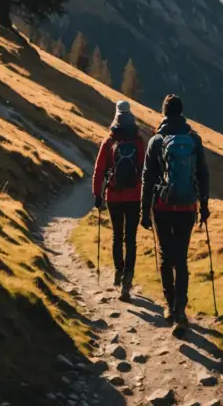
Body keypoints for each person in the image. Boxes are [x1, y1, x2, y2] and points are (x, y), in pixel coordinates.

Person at [141, 94, 210, 333]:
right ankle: (181, 310)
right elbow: (202, 173)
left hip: (162, 207)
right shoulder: (194, 140)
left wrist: (144, 212)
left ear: (164, 113)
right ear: (181, 113)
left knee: (165, 255)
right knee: (181, 258)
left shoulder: (156, 141)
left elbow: (147, 178)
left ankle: (169, 306)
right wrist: (204, 205)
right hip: (187, 207)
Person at [92, 100, 145, 301]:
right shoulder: (138, 140)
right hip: (134, 196)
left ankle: (118, 271)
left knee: (117, 236)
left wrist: (97, 195)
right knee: (130, 239)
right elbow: (144, 169)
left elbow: (99, 170)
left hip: (114, 196)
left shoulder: (109, 141)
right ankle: (127, 281)